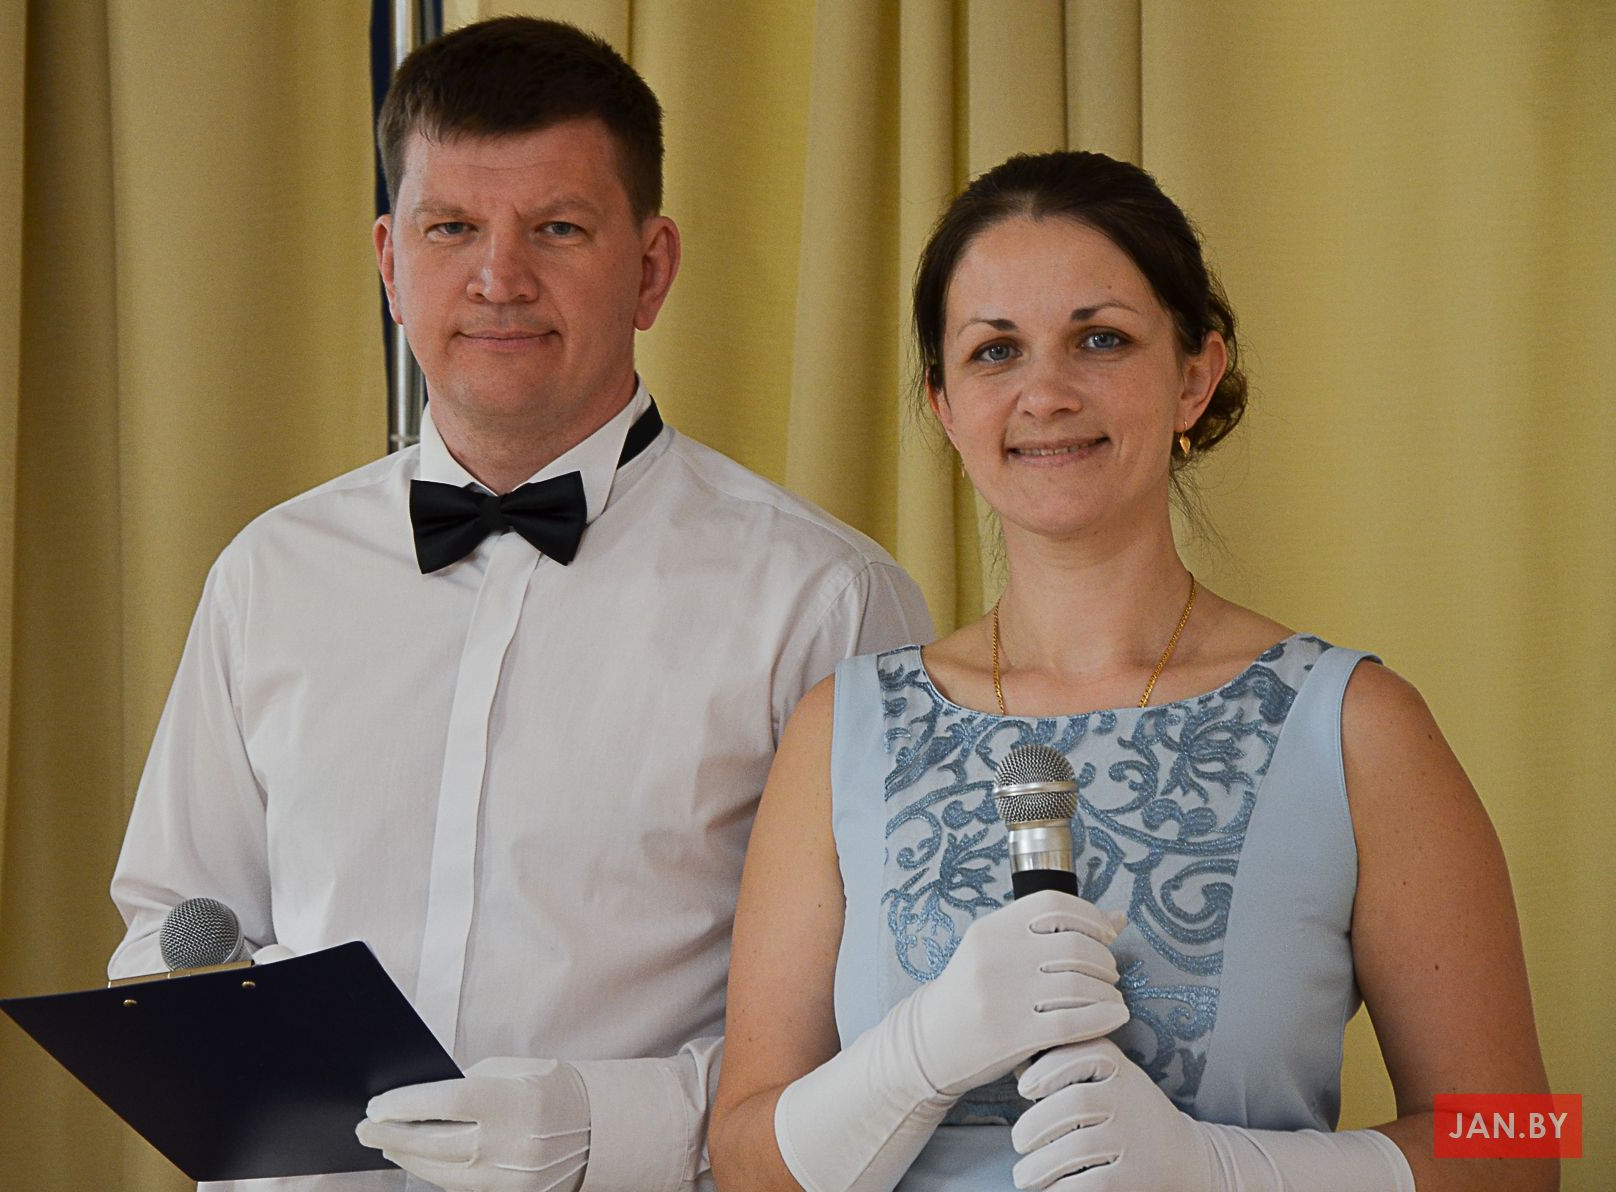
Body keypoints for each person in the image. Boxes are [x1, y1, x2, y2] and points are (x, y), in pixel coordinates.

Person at [107, 17, 931, 1192]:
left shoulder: (826, 602)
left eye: (557, 228)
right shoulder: (266, 576)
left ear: (651, 269)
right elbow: (173, 925)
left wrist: (604, 1123)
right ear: (391, 262)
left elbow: (885, 1034)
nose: (499, 279)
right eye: (451, 229)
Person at [709, 151, 1555, 1191]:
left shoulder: (1356, 727)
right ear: (944, 402)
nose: (1046, 392)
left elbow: (1522, 1136)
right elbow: (739, 1159)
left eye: (1100, 339)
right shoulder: (842, 731)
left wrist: (1228, 1171)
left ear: (1195, 375)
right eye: (994, 351)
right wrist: (916, 1058)